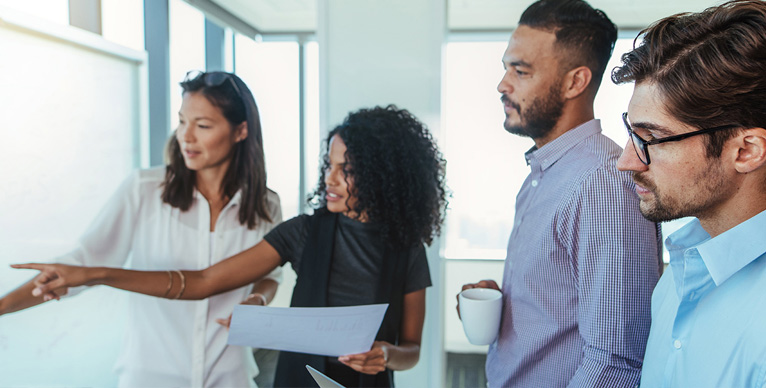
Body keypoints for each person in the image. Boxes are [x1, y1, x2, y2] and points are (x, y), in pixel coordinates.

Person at [14, 105, 449, 388]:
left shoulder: (406, 248)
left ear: (384, 175)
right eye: (329, 166)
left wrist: (386, 355)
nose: (330, 180)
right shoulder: (303, 231)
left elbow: (411, 349)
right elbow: (201, 282)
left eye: (346, 170)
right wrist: (96, 274)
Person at [0, 70, 283, 388]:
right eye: (182, 121)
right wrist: (3, 306)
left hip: (229, 375)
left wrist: (257, 299)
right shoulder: (144, 190)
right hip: (150, 375)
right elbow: (83, 264)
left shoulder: (266, 204)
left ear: (240, 131)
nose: (186, 136)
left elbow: (270, 275)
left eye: (202, 126)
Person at [457, 1, 663, 386]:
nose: (503, 84)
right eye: (506, 68)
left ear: (575, 82)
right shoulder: (542, 174)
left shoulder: (602, 183)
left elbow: (616, 362)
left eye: (521, 71)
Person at [610, 1, 766, 386]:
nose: (627, 162)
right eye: (633, 133)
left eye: (653, 138)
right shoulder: (679, 274)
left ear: (745, 151)